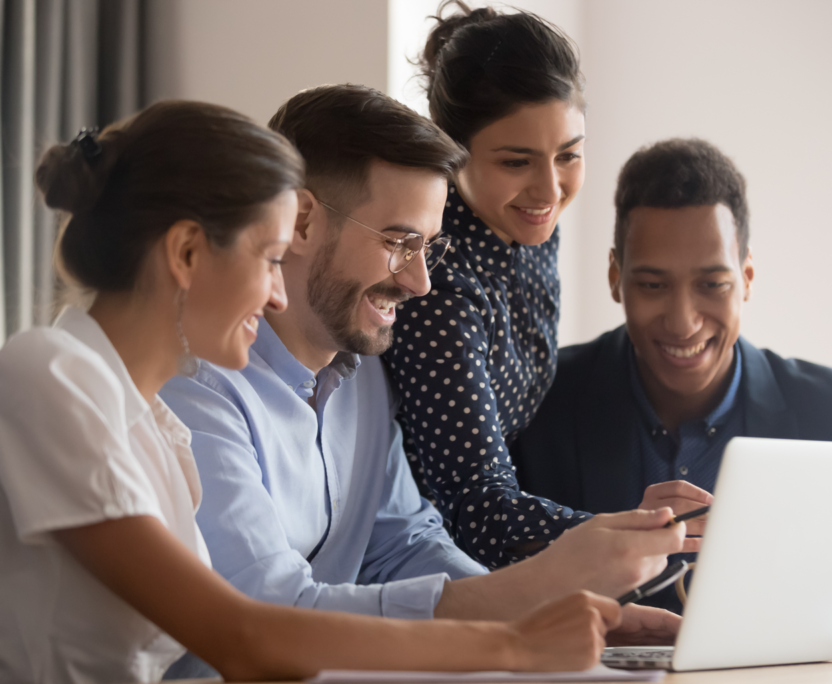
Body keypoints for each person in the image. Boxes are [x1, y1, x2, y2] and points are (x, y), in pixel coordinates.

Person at [0, 100, 631, 684]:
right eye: (271, 259)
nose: (279, 294)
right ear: (188, 251)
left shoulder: (154, 418)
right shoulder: (52, 373)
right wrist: (515, 641)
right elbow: (246, 634)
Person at [158, 84, 691, 678]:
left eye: (428, 249)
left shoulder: (362, 376)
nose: (420, 283)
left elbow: (401, 545)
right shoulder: (194, 386)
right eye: (398, 242)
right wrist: (530, 595)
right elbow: (273, 614)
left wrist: (545, 614)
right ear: (301, 221)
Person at [509, 137, 832, 649]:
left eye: (712, 285)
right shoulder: (539, 400)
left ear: (747, 277)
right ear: (615, 276)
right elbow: (462, 581)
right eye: (652, 285)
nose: (683, 322)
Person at [382, 0, 592, 570]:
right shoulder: (438, 283)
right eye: (516, 162)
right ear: (453, 154)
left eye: (569, 155)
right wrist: (631, 532)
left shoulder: (528, 228)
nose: (549, 188)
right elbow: (479, 509)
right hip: (418, 568)